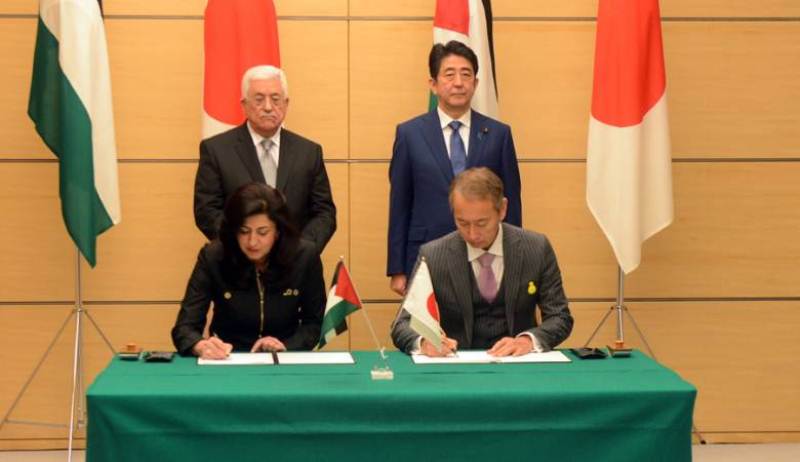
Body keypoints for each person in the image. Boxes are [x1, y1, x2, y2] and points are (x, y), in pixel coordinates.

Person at [387, 40, 522, 296]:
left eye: (466, 74)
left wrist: (514, 261)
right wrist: (397, 268)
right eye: (449, 74)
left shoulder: (499, 134)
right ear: (433, 84)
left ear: (476, 83)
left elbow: (511, 203)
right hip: (425, 254)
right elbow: (400, 203)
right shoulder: (409, 134)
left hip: (485, 255)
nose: (458, 82)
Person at [391, 168, 572, 357]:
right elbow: (402, 325)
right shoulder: (433, 255)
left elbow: (560, 317)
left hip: (519, 363)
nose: (472, 234)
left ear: (502, 209)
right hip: (457, 363)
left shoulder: (536, 249)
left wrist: (528, 340)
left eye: (482, 223)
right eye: (462, 223)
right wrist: (424, 342)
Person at [173, 182, 325, 358]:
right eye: (244, 231)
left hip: (284, 357)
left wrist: (286, 346)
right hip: (228, 357)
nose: (252, 242)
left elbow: (314, 324)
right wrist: (200, 345)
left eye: (262, 232)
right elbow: (185, 327)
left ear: (278, 231)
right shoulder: (213, 256)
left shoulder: (305, 256)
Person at [194, 65, 336, 253]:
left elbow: (324, 213)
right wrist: (247, 245)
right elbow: (206, 211)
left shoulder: (309, 152)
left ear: (286, 103)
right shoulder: (216, 150)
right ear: (244, 104)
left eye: (275, 99)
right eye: (259, 99)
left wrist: (302, 250)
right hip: (238, 263)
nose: (268, 107)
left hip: (296, 263)